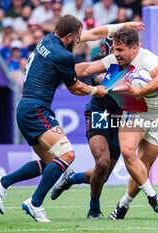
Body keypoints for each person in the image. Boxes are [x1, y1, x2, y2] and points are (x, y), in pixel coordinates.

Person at [0, 15, 145, 222]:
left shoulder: (48, 40)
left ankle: (3, 182)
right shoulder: (63, 55)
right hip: (37, 110)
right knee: (68, 155)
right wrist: (95, 90)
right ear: (69, 36)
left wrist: (124, 25)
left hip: (26, 108)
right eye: (78, 37)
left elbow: (94, 33)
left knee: (51, 162)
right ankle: (35, 203)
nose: (80, 41)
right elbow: (76, 88)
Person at [58, 27, 158, 219]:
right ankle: (149, 196)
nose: (115, 54)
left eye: (120, 50)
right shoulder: (108, 60)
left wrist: (141, 92)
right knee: (115, 157)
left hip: (156, 115)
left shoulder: (147, 59)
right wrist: (54, 67)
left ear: (134, 49)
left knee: (141, 167)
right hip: (110, 112)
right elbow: (86, 69)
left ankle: (122, 206)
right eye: (113, 49)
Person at [51, 37, 122, 220]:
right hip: (99, 114)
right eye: (117, 48)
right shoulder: (100, 64)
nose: (120, 52)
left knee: (102, 176)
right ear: (109, 49)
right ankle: (94, 209)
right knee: (102, 163)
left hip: (119, 119)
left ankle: (72, 178)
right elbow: (103, 82)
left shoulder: (136, 64)